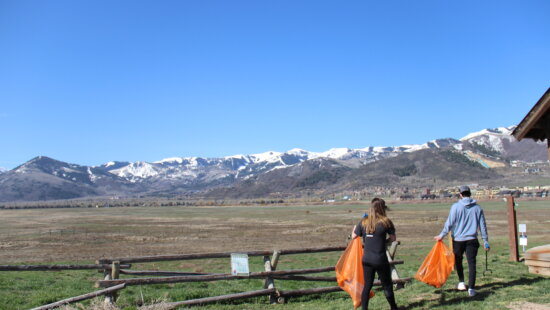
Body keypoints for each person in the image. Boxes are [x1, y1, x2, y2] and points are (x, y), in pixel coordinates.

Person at [434, 185, 489, 297]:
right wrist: (485, 241)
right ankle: (472, 289)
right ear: (470, 194)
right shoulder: (478, 208)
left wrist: (442, 235)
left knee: (458, 261)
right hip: (472, 240)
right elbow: (482, 226)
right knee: (472, 264)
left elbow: (449, 223)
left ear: (460, 194)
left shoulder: (455, 207)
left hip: (458, 240)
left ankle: (462, 282)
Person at [351, 199, 398, 310]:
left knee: (367, 286)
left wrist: (354, 229)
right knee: (387, 285)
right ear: (383, 208)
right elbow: (393, 238)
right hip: (380, 259)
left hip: (366, 259)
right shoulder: (386, 221)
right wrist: (384, 241)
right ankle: (394, 308)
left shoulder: (364, 221)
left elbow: (354, 236)